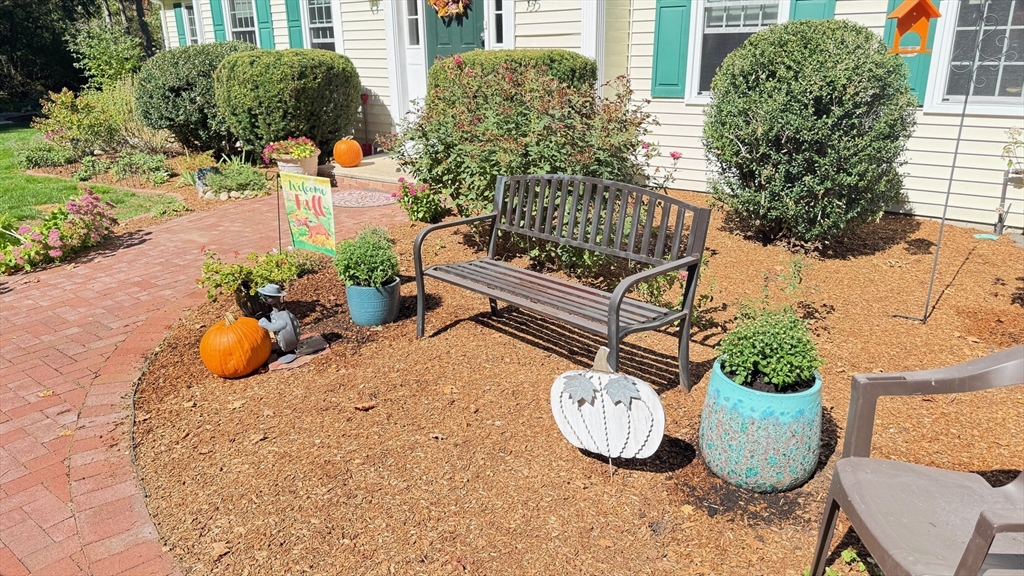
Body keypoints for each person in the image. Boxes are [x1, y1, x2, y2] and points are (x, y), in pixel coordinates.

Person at [256, 284, 300, 363]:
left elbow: (281, 324)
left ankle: (289, 351)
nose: (264, 299)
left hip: (289, 343)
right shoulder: (276, 312)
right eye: (263, 296)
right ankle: (282, 349)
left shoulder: (282, 314)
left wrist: (266, 324)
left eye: (267, 297)